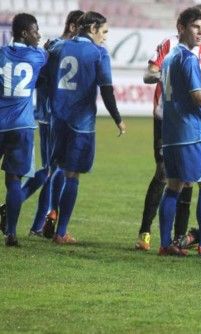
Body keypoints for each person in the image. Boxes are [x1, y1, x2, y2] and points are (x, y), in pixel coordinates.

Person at [135, 4, 201, 252]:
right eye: (197, 27)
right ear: (182, 27)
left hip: (172, 128)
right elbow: (196, 96)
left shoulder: (189, 56)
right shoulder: (177, 52)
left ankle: (171, 241)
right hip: (187, 127)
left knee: (177, 183)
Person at [47, 11, 126, 244]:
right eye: (104, 31)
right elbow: (107, 89)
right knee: (73, 176)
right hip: (81, 124)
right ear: (92, 29)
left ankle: (51, 212)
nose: (105, 37)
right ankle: (61, 232)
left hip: (57, 119)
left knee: (59, 168)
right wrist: (117, 118)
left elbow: (44, 77)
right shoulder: (98, 52)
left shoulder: (60, 47)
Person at [25, 9, 84, 238]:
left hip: (55, 117)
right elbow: (41, 79)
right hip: (52, 117)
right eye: (83, 27)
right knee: (53, 170)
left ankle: (42, 223)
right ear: (72, 27)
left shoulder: (60, 48)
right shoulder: (57, 48)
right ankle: (28, 215)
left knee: (54, 170)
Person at [0, 13, 47, 246]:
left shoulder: (0, 55)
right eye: (36, 31)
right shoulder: (38, 56)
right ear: (25, 33)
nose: (39, 35)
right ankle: (11, 233)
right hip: (22, 126)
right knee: (14, 181)